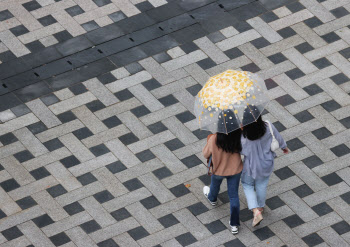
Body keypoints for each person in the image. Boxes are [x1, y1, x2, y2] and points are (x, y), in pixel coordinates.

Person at [240, 107, 289, 227]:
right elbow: (278, 137)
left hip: (250, 166)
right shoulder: (268, 126)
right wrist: (284, 147)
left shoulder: (243, 136)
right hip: (266, 163)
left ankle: (254, 210)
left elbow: (240, 151)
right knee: (261, 185)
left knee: (247, 185)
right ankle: (260, 207)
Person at [202, 110, 243, 234]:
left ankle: (212, 198)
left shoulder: (214, 138)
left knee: (214, 185)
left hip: (218, 170)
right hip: (235, 170)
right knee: (234, 196)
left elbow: (205, 154)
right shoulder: (239, 135)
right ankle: (234, 225)